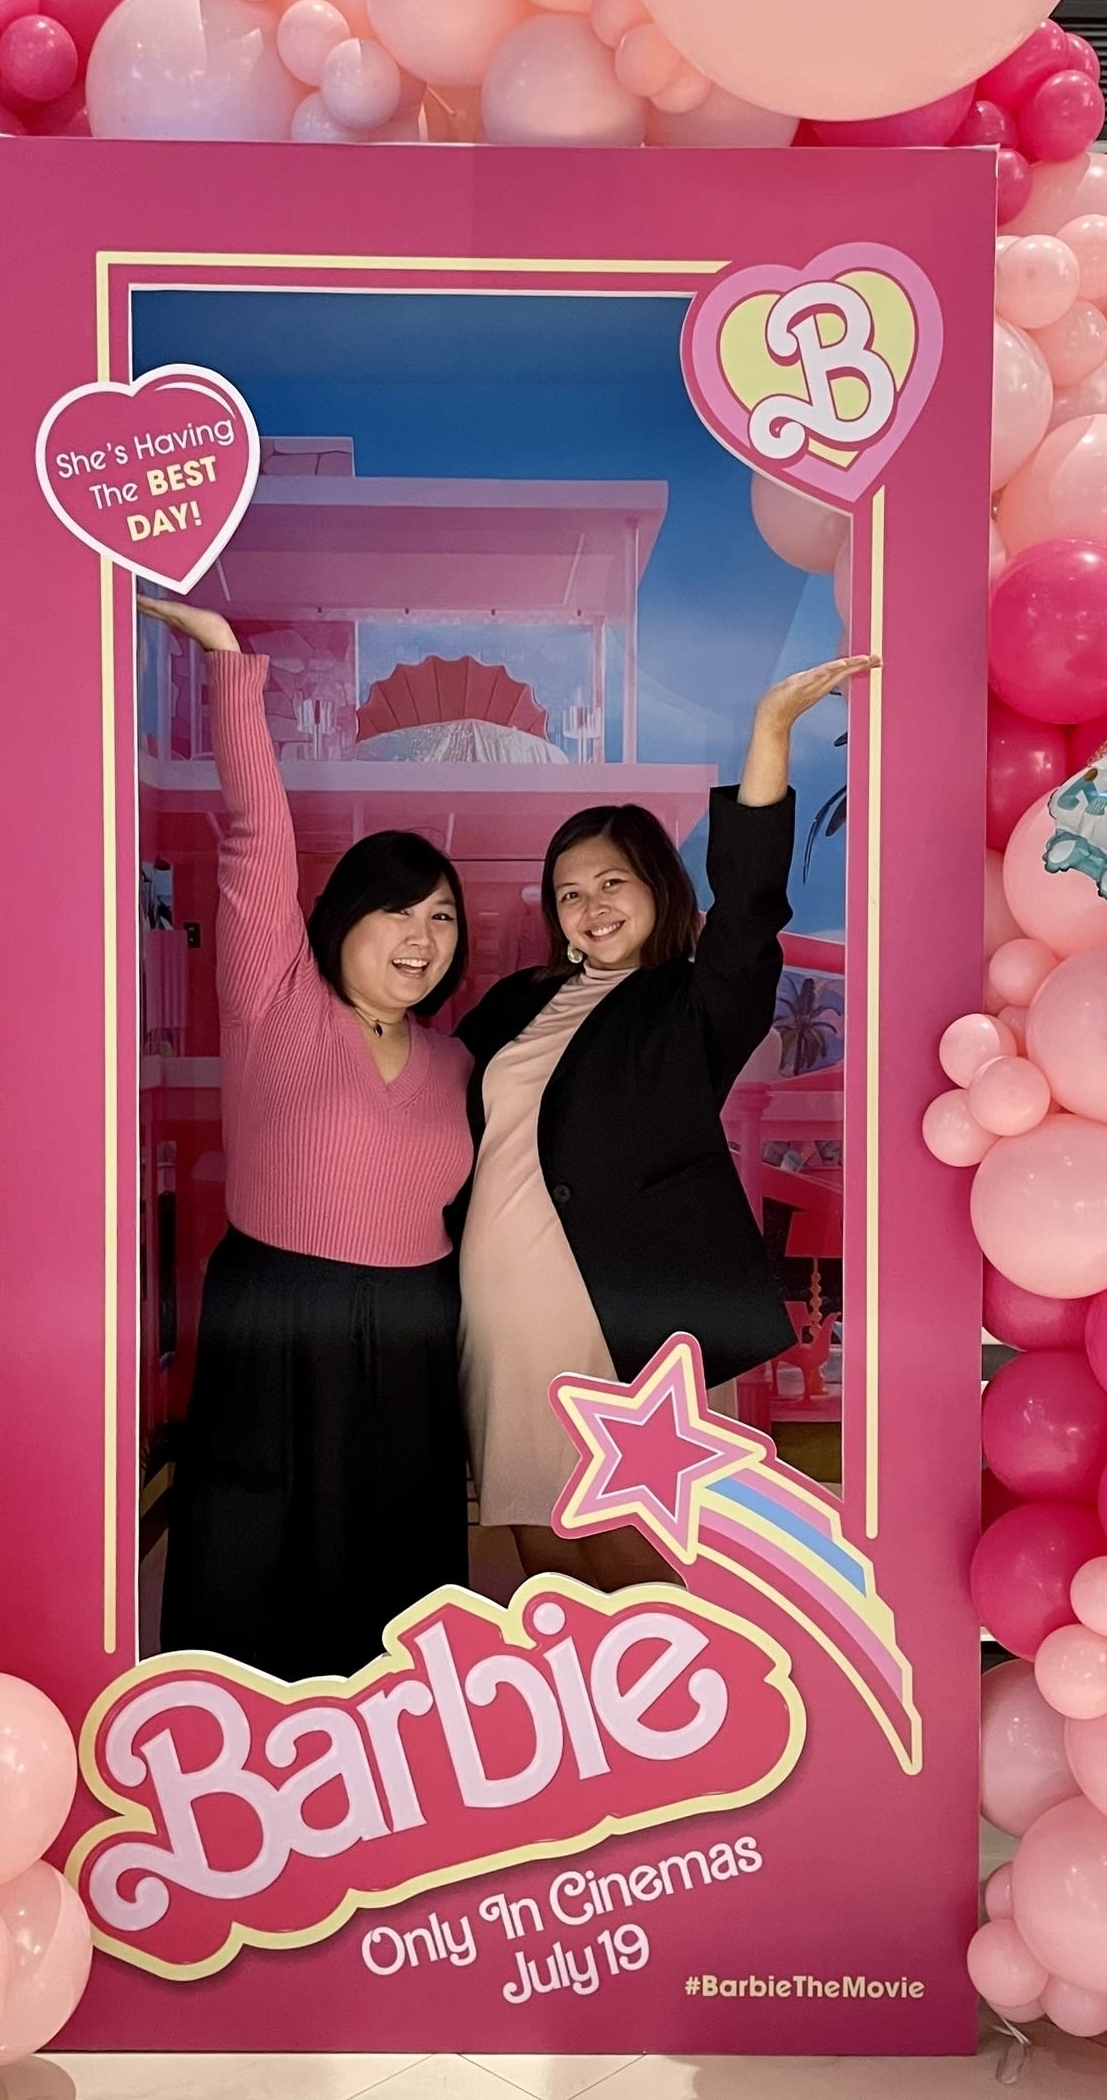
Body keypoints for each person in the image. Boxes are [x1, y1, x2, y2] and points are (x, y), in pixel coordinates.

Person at [454, 655, 879, 1591]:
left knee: (632, 1538)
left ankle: (669, 1687)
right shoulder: (515, 1003)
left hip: (625, 1303)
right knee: (532, 1526)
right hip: (500, 1302)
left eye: (611, 883)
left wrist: (770, 731)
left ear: (655, 886)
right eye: (570, 893)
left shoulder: (692, 1002)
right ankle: (573, 1683)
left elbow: (750, 909)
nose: (591, 907)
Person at [140, 596, 474, 1680]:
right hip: (280, 1314)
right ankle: (245, 1754)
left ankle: (395, 1747)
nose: (421, 936)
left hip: (416, 1325)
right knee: (259, 1545)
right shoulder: (275, 999)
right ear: (343, 920)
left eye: (441, 916)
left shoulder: (455, 1064)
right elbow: (255, 835)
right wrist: (228, 665)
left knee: (401, 1558)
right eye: (398, 911)